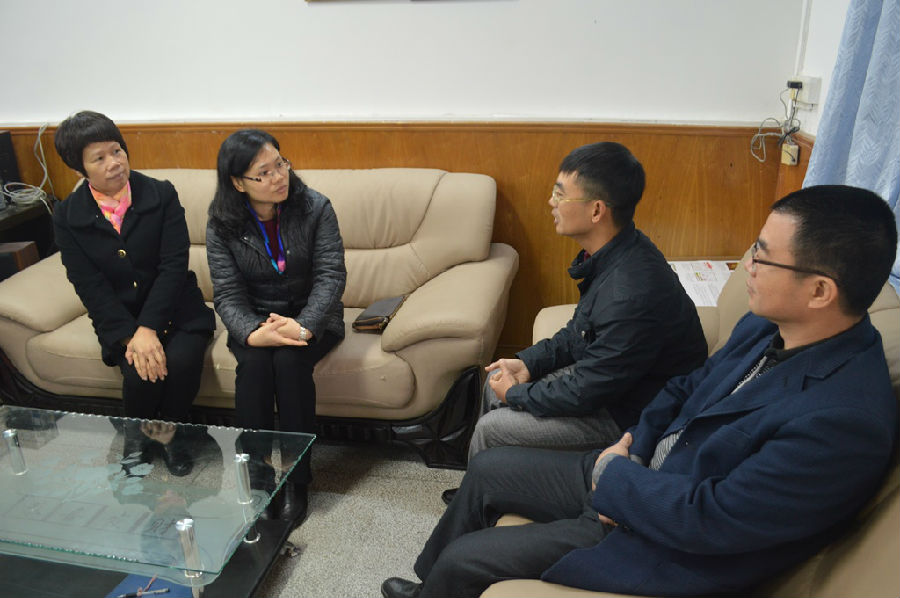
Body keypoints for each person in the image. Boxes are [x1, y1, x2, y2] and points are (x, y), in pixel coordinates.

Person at [382, 184, 899, 598]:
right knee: (490, 469)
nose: (749, 268)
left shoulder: (842, 420)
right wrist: (632, 446)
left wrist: (618, 480)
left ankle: (447, 580)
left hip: (662, 535)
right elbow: (686, 387)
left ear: (820, 290)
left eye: (762, 257)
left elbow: (710, 519)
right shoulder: (770, 325)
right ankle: (432, 588)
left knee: (468, 557)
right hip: (638, 469)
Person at [442, 142, 707, 504]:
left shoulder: (632, 290)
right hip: (613, 386)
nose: (551, 202)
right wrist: (527, 363)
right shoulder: (615, 251)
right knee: (496, 380)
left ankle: (476, 505)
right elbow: (578, 333)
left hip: (632, 412)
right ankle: (486, 489)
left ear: (596, 210)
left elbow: (587, 391)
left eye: (560, 194)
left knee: (492, 428)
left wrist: (517, 395)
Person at [53, 111, 215, 464]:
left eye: (117, 151)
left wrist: (149, 328)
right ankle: (137, 435)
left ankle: (171, 435)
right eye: (99, 158)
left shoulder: (161, 194)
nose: (114, 163)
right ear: (79, 169)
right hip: (121, 319)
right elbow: (88, 284)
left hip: (178, 308)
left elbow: (173, 265)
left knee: (182, 362)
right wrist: (131, 334)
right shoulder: (67, 217)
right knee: (140, 374)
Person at [206, 129, 346, 529]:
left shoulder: (315, 207)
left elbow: (331, 275)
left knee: (289, 363)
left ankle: (297, 479)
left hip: (312, 316)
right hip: (255, 318)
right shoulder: (222, 222)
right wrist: (252, 332)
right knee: (254, 365)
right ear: (238, 183)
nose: (278, 177)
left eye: (280, 164)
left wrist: (304, 326)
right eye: (263, 173)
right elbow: (227, 292)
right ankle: (259, 478)